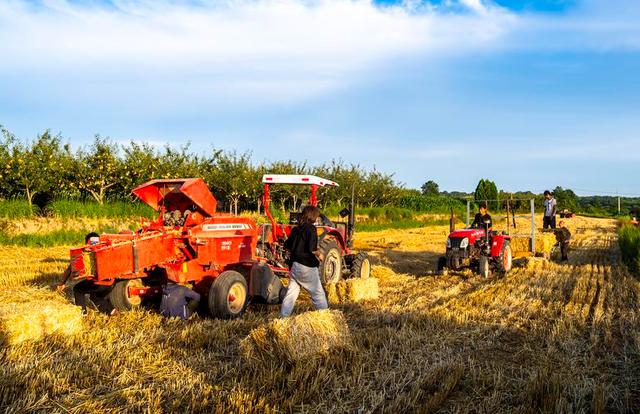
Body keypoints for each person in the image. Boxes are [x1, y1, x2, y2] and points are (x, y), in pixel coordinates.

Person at [280, 205, 329, 317]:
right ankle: (326, 317)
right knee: (317, 294)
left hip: (294, 266)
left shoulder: (296, 229)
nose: (317, 218)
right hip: (306, 266)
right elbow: (312, 249)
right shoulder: (311, 229)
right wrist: (320, 255)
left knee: (291, 294)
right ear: (312, 216)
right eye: (316, 216)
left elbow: (287, 246)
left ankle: (283, 317)